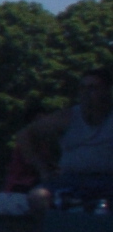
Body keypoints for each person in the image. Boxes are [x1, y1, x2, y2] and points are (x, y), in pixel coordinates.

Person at [15, 67, 113, 214]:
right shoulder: (67, 117)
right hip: (71, 180)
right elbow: (25, 135)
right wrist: (43, 169)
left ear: (107, 90)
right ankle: (52, 228)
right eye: (82, 88)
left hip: (108, 180)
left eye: (93, 88)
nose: (86, 93)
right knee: (38, 197)